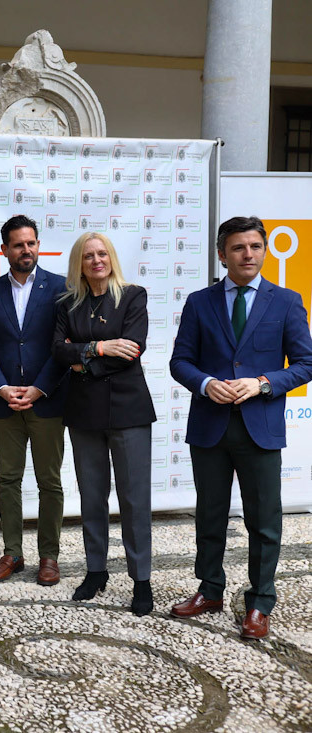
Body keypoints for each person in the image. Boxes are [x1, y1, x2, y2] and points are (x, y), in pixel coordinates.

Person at [169, 216, 312, 640]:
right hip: (210, 426)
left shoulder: (286, 301)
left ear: (264, 250)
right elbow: (180, 362)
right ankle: (210, 589)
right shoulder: (199, 302)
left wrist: (264, 383)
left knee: (264, 520)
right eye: (238, 248)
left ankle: (260, 602)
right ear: (221, 254)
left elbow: (306, 364)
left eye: (254, 246)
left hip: (260, 427)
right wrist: (206, 383)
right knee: (209, 516)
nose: (247, 254)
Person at [53, 232, 156, 616]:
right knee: (92, 497)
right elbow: (57, 351)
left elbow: (131, 349)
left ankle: (141, 579)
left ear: (111, 257)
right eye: (89, 256)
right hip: (84, 413)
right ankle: (96, 570)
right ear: (79, 263)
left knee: (133, 499)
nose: (97, 260)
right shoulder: (67, 303)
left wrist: (85, 361)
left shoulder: (133, 296)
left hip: (129, 411)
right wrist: (99, 346)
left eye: (102, 254)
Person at [0, 215, 68, 586]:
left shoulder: (62, 288)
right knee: (8, 479)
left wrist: (39, 388)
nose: (26, 250)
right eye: (18, 244)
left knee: (50, 482)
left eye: (31, 243)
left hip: (46, 401)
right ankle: (12, 552)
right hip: (5, 402)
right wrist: (1, 388)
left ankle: (49, 556)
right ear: (5, 250)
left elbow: (62, 347)